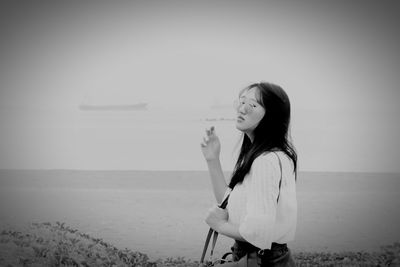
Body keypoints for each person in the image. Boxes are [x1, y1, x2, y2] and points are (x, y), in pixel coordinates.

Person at [200, 82, 297, 266]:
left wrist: (219, 225)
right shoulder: (267, 156)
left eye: (252, 105)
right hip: (261, 256)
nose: (242, 109)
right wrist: (212, 160)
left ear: (272, 116)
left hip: (260, 259)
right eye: (241, 102)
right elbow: (231, 205)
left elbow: (258, 234)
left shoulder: (265, 161)